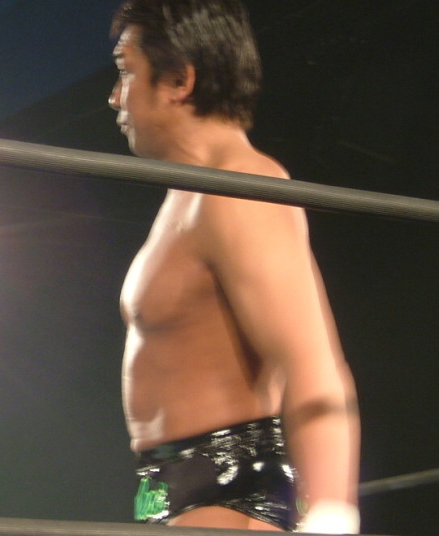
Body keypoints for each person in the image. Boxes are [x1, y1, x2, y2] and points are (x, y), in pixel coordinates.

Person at [108, 0, 360, 533]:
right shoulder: (190, 193)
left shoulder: (240, 185)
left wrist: (332, 514)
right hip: (172, 489)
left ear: (178, 80)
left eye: (126, 71)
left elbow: (313, 363)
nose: (114, 96)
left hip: (231, 494)